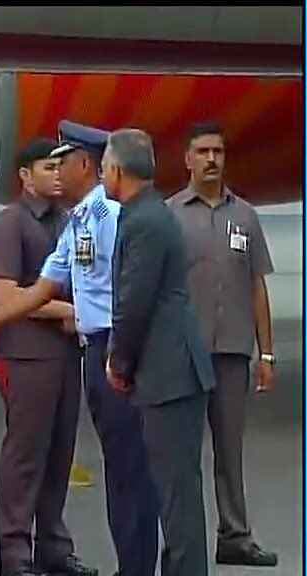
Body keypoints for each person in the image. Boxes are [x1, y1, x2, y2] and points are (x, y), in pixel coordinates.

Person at [43, 121, 159, 576]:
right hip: (95, 349)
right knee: (118, 462)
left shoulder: (110, 217)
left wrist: (121, 356)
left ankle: (137, 566)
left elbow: (131, 290)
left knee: (130, 465)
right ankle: (131, 563)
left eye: (61, 163)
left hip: (115, 348)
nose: (55, 173)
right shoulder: (79, 221)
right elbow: (47, 284)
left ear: (85, 164)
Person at [101, 129, 215, 576]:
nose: (103, 175)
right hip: (169, 372)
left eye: (104, 168)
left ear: (116, 170)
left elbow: (135, 302)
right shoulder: (147, 213)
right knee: (175, 492)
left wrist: (119, 362)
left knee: (177, 496)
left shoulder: (144, 221)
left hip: (170, 374)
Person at [166, 122, 278, 567]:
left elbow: (257, 285)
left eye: (218, 151)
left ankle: (235, 535)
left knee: (230, 450)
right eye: (203, 152)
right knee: (182, 453)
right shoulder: (170, 215)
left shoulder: (245, 216)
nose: (212, 159)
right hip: (184, 354)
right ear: (187, 160)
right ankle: (183, 539)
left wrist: (266, 353)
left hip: (232, 352)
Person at [0, 138, 95, 576]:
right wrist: (67, 311)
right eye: (47, 168)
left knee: (60, 454)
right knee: (26, 455)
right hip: (30, 355)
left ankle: (53, 546)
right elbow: (6, 295)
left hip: (67, 353)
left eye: (59, 166)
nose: (56, 174)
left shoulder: (69, 221)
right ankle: (15, 552)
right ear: (25, 176)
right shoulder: (11, 223)